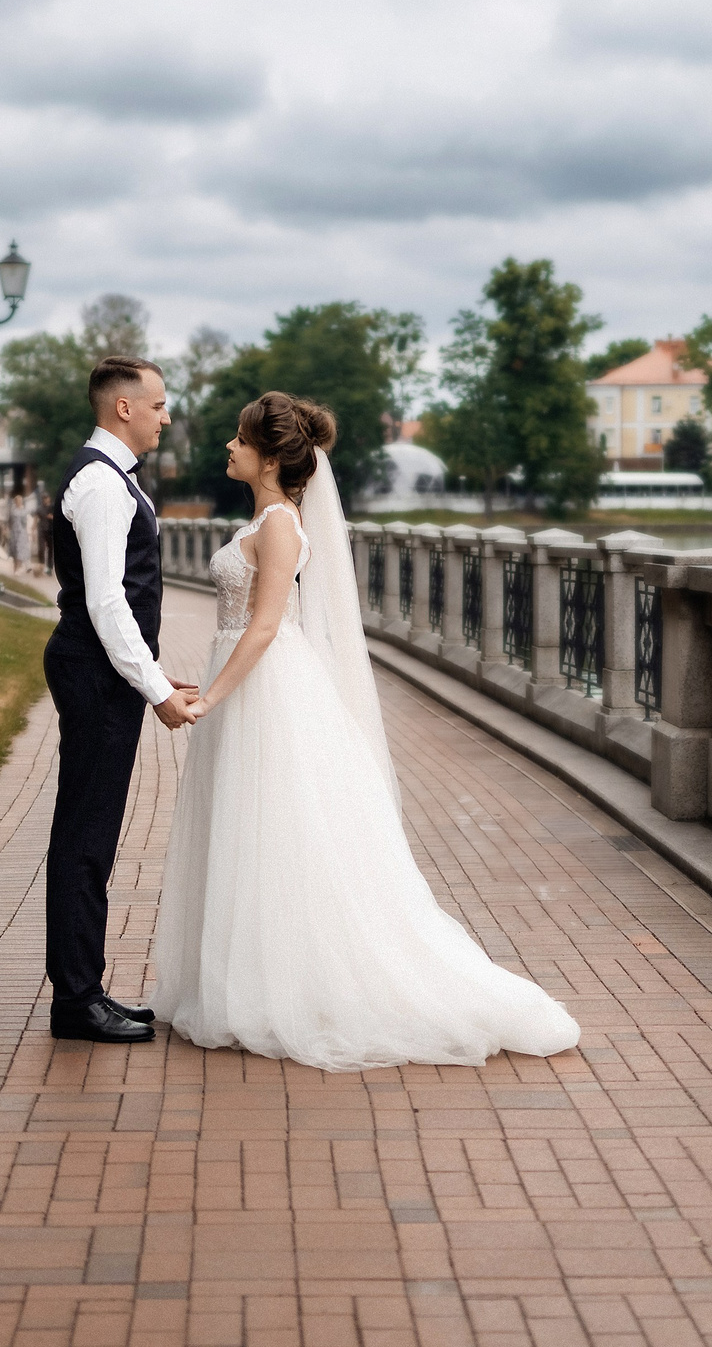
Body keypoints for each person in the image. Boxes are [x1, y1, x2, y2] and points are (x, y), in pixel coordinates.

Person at [151, 391, 580, 1071]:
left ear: (267, 455)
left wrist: (213, 697)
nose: (227, 449)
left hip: (265, 688)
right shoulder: (264, 517)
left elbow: (266, 626)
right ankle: (239, 981)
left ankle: (281, 990)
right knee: (243, 828)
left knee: (273, 828)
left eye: (238, 440)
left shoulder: (280, 523)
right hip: (244, 683)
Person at [44, 356, 202, 1043]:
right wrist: (158, 687)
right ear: (124, 409)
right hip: (95, 672)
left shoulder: (111, 480)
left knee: (91, 835)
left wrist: (152, 677)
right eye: (160, 405)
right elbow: (107, 602)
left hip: (98, 670)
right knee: (85, 836)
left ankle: (85, 989)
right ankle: (77, 1001)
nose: (167, 417)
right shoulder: (102, 485)